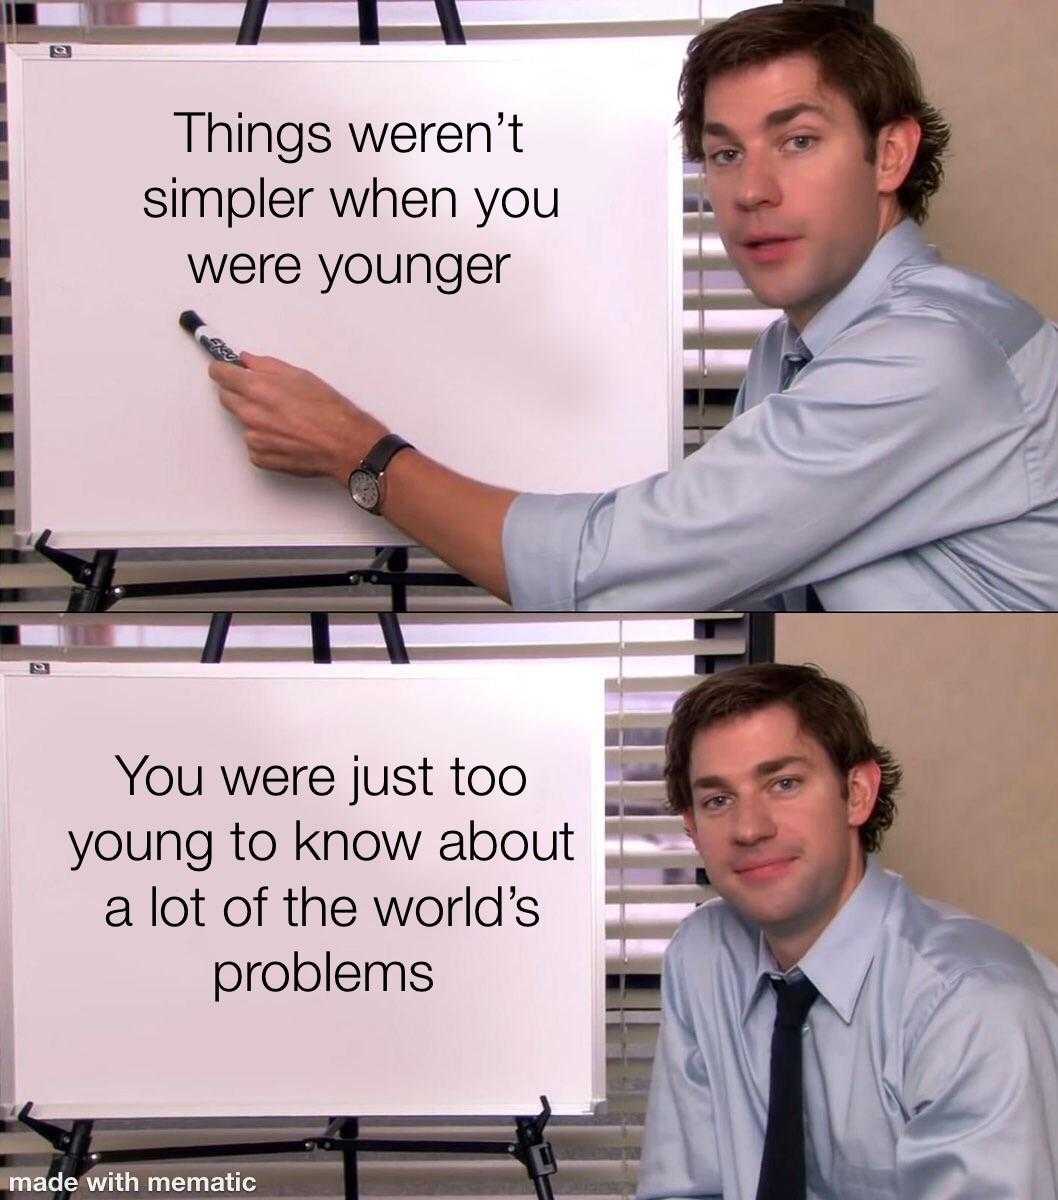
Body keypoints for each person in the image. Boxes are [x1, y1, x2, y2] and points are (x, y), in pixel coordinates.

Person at [208, 4, 1058, 611]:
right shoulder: (789, 348)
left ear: (890, 155)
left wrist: (357, 452)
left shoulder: (930, 356)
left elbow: (610, 567)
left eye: (797, 141)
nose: (751, 191)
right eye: (724, 154)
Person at [636, 662, 1058, 1200]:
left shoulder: (979, 1006)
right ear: (692, 828)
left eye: (784, 783)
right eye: (718, 800)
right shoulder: (703, 957)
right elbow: (684, 1191)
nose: (749, 829)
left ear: (857, 793)